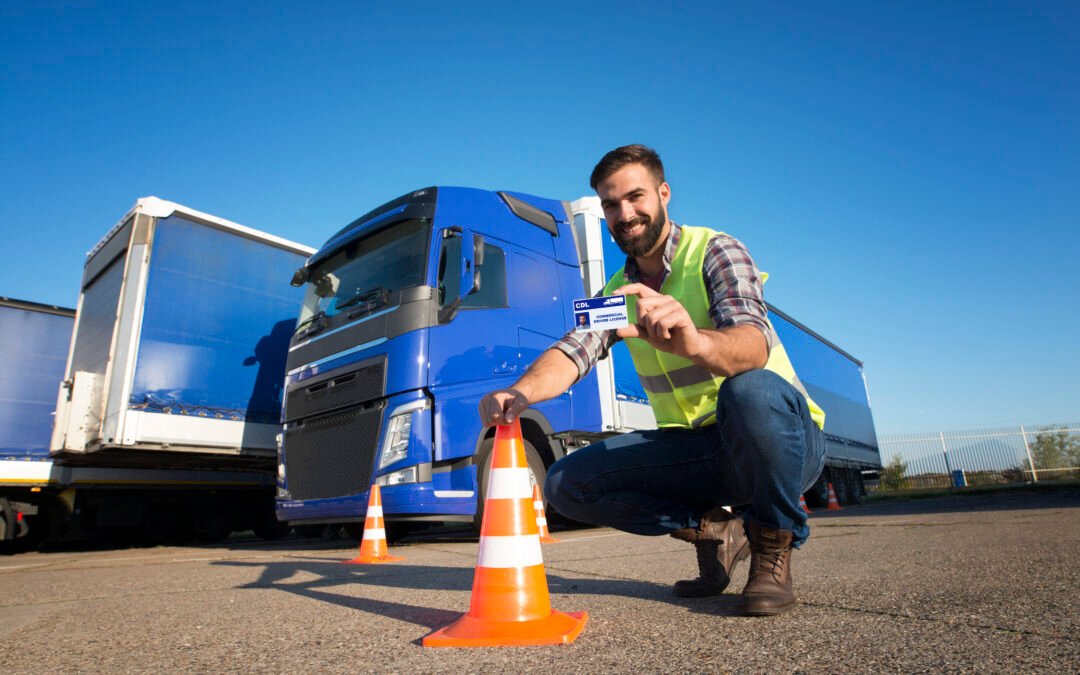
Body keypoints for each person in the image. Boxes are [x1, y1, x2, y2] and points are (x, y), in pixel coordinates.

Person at [478, 144, 826, 616]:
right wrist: (519, 392)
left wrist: (696, 343)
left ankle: (771, 545)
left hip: (778, 443)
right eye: (610, 204)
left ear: (663, 194)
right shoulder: (616, 294)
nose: (625, 213)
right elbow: (571, 352)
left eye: (636, 197)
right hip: (695, 450)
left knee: (750, 390)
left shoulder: (716, 251)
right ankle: (714, 529)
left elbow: (752, 343)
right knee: (566, 484)